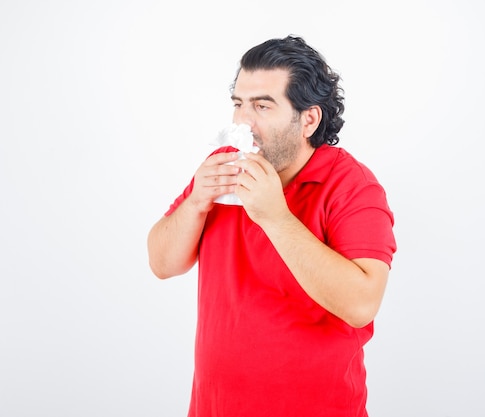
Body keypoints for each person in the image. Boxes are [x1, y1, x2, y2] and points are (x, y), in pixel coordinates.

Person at [147, 35, 397, 417]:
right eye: (238, 104)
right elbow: (162, 264)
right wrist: (197, 200)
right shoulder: (224, 165)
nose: (244, 121)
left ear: (308, 120)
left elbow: (361, 304)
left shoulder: (351, 185)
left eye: (262, 106)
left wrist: (275, 217)